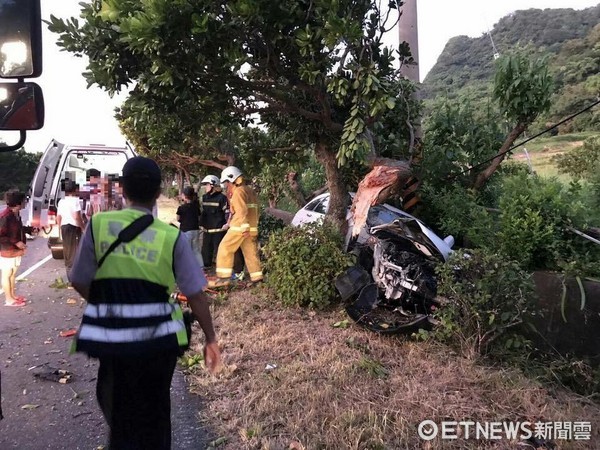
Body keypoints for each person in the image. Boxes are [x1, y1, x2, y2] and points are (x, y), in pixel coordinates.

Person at [68, 156, 222, 449]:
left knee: (118, 408)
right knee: (155, 412)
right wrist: (211, 339)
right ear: (157, 193)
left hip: (111, 339)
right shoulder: (170, 237)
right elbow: (195, 293)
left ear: (123, 189)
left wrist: (106, 305)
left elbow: (78, 278)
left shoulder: (99, 225)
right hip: (157, 344)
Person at [209, 166, 263, 288]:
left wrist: (244, 228)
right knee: (251, 253)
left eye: (226, 182)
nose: (226, 185)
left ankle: (223, 279)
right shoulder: (250, 190)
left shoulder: (238, 192)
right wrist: (251, 227)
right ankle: (257, 279)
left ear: (232, 179)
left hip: (240, 228)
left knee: (224, 248)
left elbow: (241, 211)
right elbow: (257, 210)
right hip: (252, 228)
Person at [0, 190, 35, 306]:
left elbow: (18, 228)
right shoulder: (5, 216)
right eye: (24, 201)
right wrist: (16, 242)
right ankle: (8, 299)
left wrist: (30, 230)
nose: (25, 203)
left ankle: (13, 295)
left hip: (15, 250)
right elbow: (1, 235)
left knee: (13, 273)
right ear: (18, 203)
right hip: (7, 249)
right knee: (7, 273)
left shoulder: (16, 214)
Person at [198, 175, 228, 269]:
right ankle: (206, 265)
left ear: (213, 185)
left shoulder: (222, 198)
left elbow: (226, 213)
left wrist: (227, 224)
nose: (205, 187)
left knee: (219, 249)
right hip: (207, 229)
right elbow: (203, 212)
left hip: (219, 229)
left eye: (207, 185)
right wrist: (201, 224)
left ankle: (222, 267)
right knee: (206, 248)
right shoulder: (204, 198)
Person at [56, 180, 85, 275]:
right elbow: (77, 217)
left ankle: (69, 275)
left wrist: (59, 230)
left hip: (64, 227)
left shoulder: (61, 201)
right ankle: (74, 277)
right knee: (75, 251)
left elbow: (59, 217)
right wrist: (83, 228)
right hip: (73, 228)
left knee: (67, 251)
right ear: (75, 189)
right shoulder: (75, 201)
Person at [176, 185, 203, 268]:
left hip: (185, 231)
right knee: (196, 250)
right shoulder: (196, 207)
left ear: (185, 196)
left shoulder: (181, 208)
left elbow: (178, 219)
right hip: (195, 230)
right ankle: (201, 266)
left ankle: (187, 267)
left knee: (186, 250)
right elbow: (198, 217)